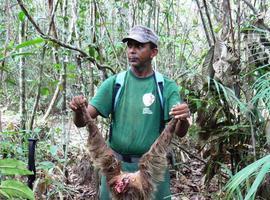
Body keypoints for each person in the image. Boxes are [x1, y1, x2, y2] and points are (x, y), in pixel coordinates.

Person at [69, 25, 190, 200]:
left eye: (139, 46)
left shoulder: (165, 86)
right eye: (129, 46)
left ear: (153, 52)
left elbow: (180, 130)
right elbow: (82, 121)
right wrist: (78, 110)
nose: (132, 51)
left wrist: (183, 117)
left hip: (152, 169)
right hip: (115, 167)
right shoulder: (115, 83)